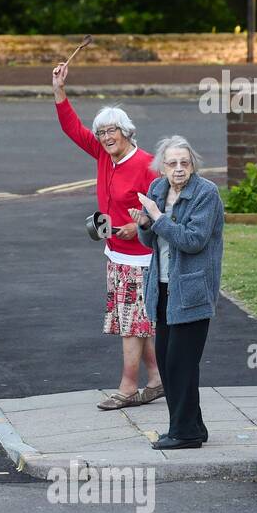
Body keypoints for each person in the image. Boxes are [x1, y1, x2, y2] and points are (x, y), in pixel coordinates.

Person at [51, 62, 164, 409]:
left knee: (132, 326)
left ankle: (128, 388)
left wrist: (140, 224)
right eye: (102, 132)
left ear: (127, 132)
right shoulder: (103, 155)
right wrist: (59, 90)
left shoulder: (147, 165)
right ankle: (159, 380)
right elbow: (73, 129)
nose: (106, 137)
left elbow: (163, 213)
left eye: (112, 130)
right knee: (135, 323)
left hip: (141, 260)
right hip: (115, 254)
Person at [131, 136, 224, 449]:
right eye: (172, 163)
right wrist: (145, 223)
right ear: (162, 167)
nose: (179, 169)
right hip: (162, 287)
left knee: (179, 364)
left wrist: (157, 218)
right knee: (167, 360)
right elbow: (151, 243)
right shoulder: (158, 190)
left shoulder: (206, 194)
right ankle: (192, 426)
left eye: (185, 162)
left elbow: (193, 240)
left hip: (192, 291)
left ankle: (184, 434)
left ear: (193, 164)